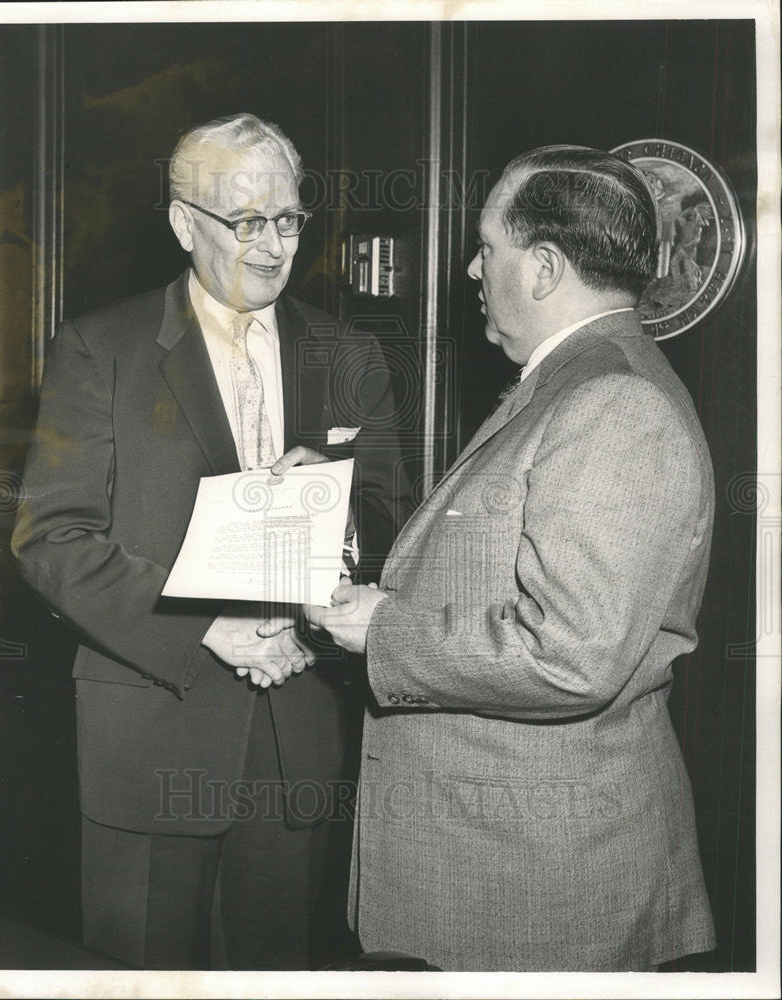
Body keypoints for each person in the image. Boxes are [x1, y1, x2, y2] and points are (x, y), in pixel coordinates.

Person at [12, 113, 409, 970]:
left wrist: (335, 509)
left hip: (294, 745)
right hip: (150, 740)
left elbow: (389, 518)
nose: (272, 247)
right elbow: (53, 539)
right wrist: (203, 630)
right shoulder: (99, 349)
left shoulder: (348, 354)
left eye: (290, 219)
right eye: (246, 222)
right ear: (184, 223)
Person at [306, 145, 717, 971]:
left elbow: (569, 655)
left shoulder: (612, 403)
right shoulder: (575, 380)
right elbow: (487, 546)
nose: (470, 267)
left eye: (486, 246)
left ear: (542, 267)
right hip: (505, 867)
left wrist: (386, 630)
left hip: (539, 889)